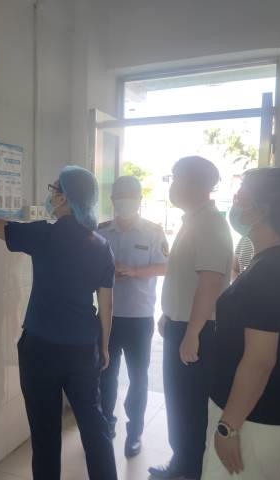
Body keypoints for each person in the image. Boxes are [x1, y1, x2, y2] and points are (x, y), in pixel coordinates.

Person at [0, 163, 117, 480]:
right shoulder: (100, 245)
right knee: (94, 426)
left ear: (66, 198)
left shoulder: (44, 234)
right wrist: (104, 346)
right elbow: (106, 302)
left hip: (40, 349)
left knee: (44, 433)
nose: (50, 195)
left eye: (54, 189)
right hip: (83, 349)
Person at [202, 167, 280, 480]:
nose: (235, 203)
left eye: (241, 196)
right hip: (270, 417)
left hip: (253, 422)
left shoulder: (271, 271)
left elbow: (259, 361)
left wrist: (228, 427)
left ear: (263, 209)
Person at [149, 156, 233, 480]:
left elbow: (210, 283)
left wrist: (192, 333)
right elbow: (184, 279)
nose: (172, 185)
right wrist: (168, 315)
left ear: (194, 183)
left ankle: (192, 471)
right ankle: (181, 464)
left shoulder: (210, 223)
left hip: (198, 330)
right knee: (178, 401)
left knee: (192, 406)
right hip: (182, 324)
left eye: (176, 178)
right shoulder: (192, 221)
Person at [98, 176, 168, 458]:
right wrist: (106, 272)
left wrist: (134, 271)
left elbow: (165, 266)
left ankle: (135, 433)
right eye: (120, 196)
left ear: (139, 200)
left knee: (139, 378)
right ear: (112, 200)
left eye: (130, 197)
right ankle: (107, 423)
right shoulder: (102, 230)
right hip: (108, 317)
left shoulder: (153, 232)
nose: (124, 202)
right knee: (106, 373)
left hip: (139, 317)